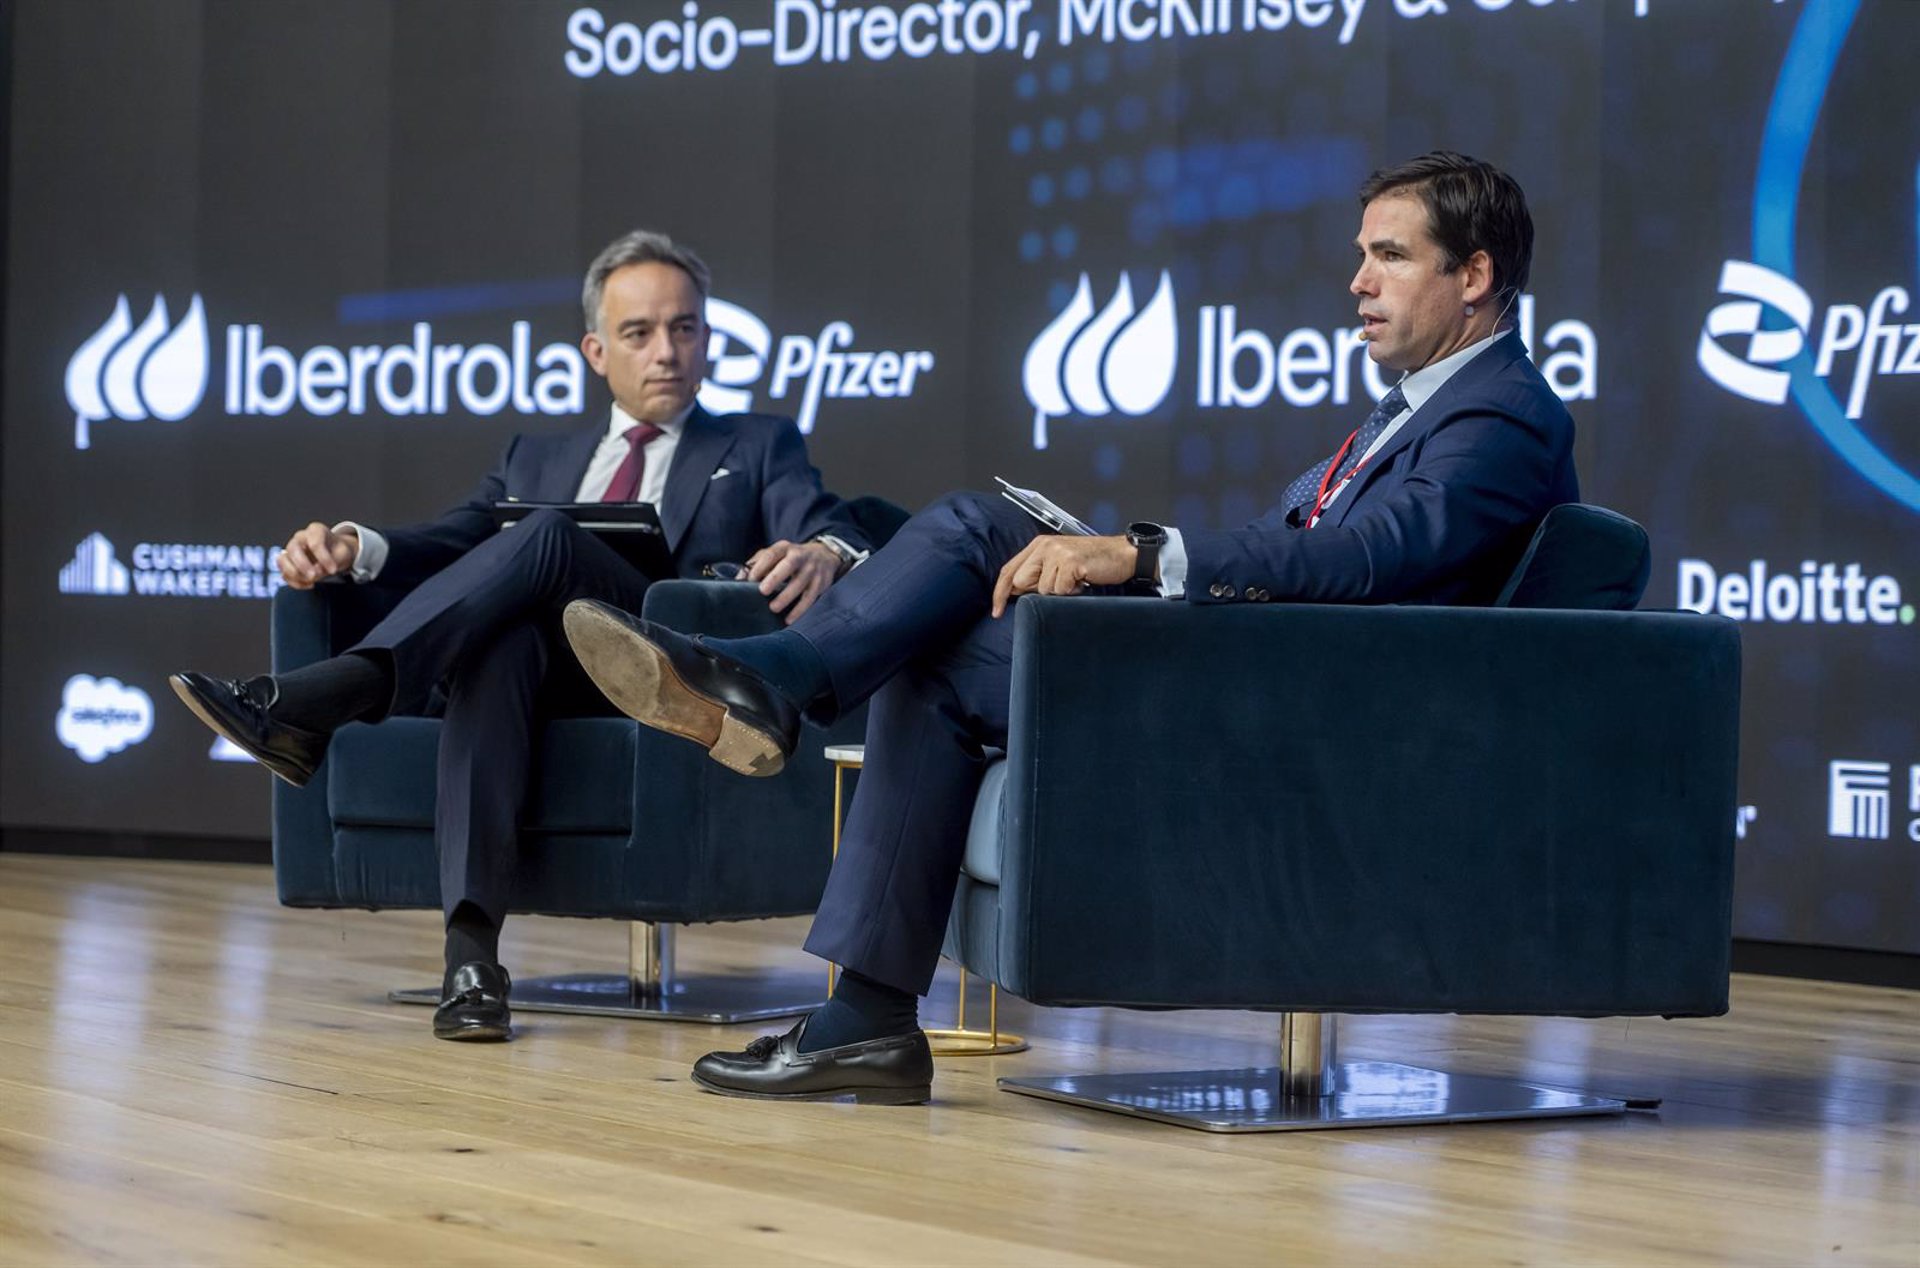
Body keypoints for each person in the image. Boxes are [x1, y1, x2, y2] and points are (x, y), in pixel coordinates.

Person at [562, 152, 1580, 1104]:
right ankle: (863, 1014)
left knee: (971, 534)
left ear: (1475, 274)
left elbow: (1369, 559)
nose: (1358, 281)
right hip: (1260, 675)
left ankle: (778, 693)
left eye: (1390, 255)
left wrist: (1135, 555)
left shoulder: (1501, 415)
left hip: (1301, 719)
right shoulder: (1420, 410)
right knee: (948, 606)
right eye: (1361, 254)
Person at [170, 230, 870, 1042]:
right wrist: (354, 546)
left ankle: (322, 699)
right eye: (639, 333)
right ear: (596, 351)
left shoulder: (758, 444)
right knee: (500, 646)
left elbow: (833, 522)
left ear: (708, 339)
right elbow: (454, 541)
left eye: (684, 328)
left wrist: (827, 550)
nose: (666, 351)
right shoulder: (536, 456)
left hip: (655, 671)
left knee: (547, 534)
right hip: (542, 673)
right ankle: (471, 964)